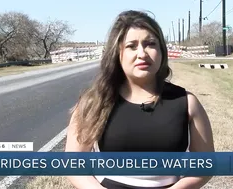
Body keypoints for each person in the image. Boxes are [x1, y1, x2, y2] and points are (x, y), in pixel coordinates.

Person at [65, 10, 215, 189]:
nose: (142, 53)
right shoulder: (94, 102)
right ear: (117, 52)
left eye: (150, 44)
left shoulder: (187, 103)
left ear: (161, 51)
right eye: (131, 46)